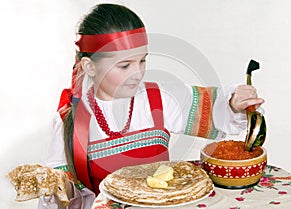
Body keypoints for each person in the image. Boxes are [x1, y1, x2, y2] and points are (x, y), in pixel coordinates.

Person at [38, 3, 264, 209]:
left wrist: (234, 104)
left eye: (142, 60)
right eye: (125, 65)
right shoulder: (71, 117)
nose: (137, 73)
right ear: (89, 67)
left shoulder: (160, 97)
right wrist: (57, 189)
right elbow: (66, 193)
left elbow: (214, 111)